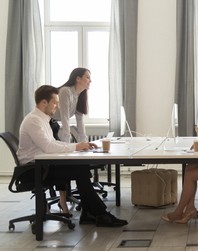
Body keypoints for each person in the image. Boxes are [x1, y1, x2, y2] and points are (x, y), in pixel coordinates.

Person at [17, 85, 128, 227]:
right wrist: (75, 147)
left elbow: (52, 143)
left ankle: (90, 213)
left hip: (42, 165)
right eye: (55, 103)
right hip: (33, 170)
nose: (57, 107)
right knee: (80, 170)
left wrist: (77, 146)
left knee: (80, 167)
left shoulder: (42, 119)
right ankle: (100, 214)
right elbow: (48, 147)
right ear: (44, 102)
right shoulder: (34, 120)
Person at [49, 68, 92, 216]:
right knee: (62, 162)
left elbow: (80, 121)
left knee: (70, 161)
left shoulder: (81, 94)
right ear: (78, 78)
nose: (90, 81)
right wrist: (68, 146)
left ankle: (66, 199)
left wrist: (84, 143)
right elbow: (66, 118)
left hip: (58, 128)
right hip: (49, 127)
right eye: (87, 77)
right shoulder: (66, 91)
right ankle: (62, 200)